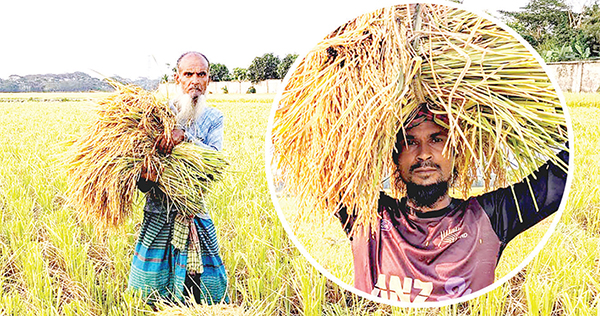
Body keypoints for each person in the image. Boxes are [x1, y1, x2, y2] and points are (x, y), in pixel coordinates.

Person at [336, 104, 568, 303]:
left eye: (436, 139)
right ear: (395, 156)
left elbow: (561, 177)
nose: (424, 154)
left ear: (456, 153)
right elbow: (325, 145)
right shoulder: (367, 216)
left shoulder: (491, 216)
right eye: (410, 141)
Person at [128, 51, 229, 307]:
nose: (195, 80)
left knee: (201, 291)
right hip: (157, 214)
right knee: (149, 292)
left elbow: (214, 161)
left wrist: (184, 137)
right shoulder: (157, 115)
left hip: (195, 215)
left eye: (201, 74)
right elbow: (142, 182)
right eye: (188, 74)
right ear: (178, 79)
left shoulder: (214, 119)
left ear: (208, 79)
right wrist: (147, 175)